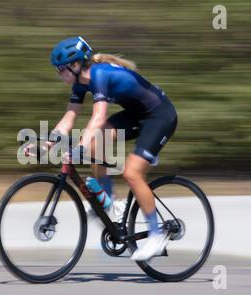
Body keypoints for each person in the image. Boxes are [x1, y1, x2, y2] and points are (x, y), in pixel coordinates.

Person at [49, 36, 178, 261]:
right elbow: (69, 118)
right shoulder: (81, 83)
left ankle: (156, 235)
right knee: (95, 143)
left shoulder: (99, 75)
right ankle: (109, 205)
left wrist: (79, 147)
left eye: (61, 70)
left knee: (131, 173)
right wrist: (47, 142)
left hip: (160, 116)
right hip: (137, 116)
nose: (59, 74)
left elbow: (98, 117)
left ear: (76, 64)